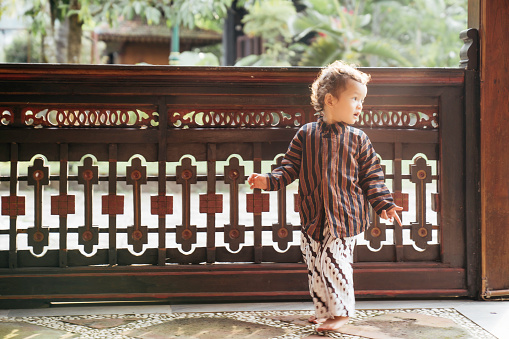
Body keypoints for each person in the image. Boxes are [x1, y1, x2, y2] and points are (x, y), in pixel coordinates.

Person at [247, 60, 403, 332]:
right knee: (316, 265)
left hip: (346, 219)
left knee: (336, 264)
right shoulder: (306, 135)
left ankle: (341, 312)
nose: (360, 106)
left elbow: (372, 177)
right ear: (330, 100)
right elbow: (288, 169)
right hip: (312, 217)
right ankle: (324, 310)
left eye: (361, 100)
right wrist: (266, 181)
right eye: (354, 98)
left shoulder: (358, 139)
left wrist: (385, 205)